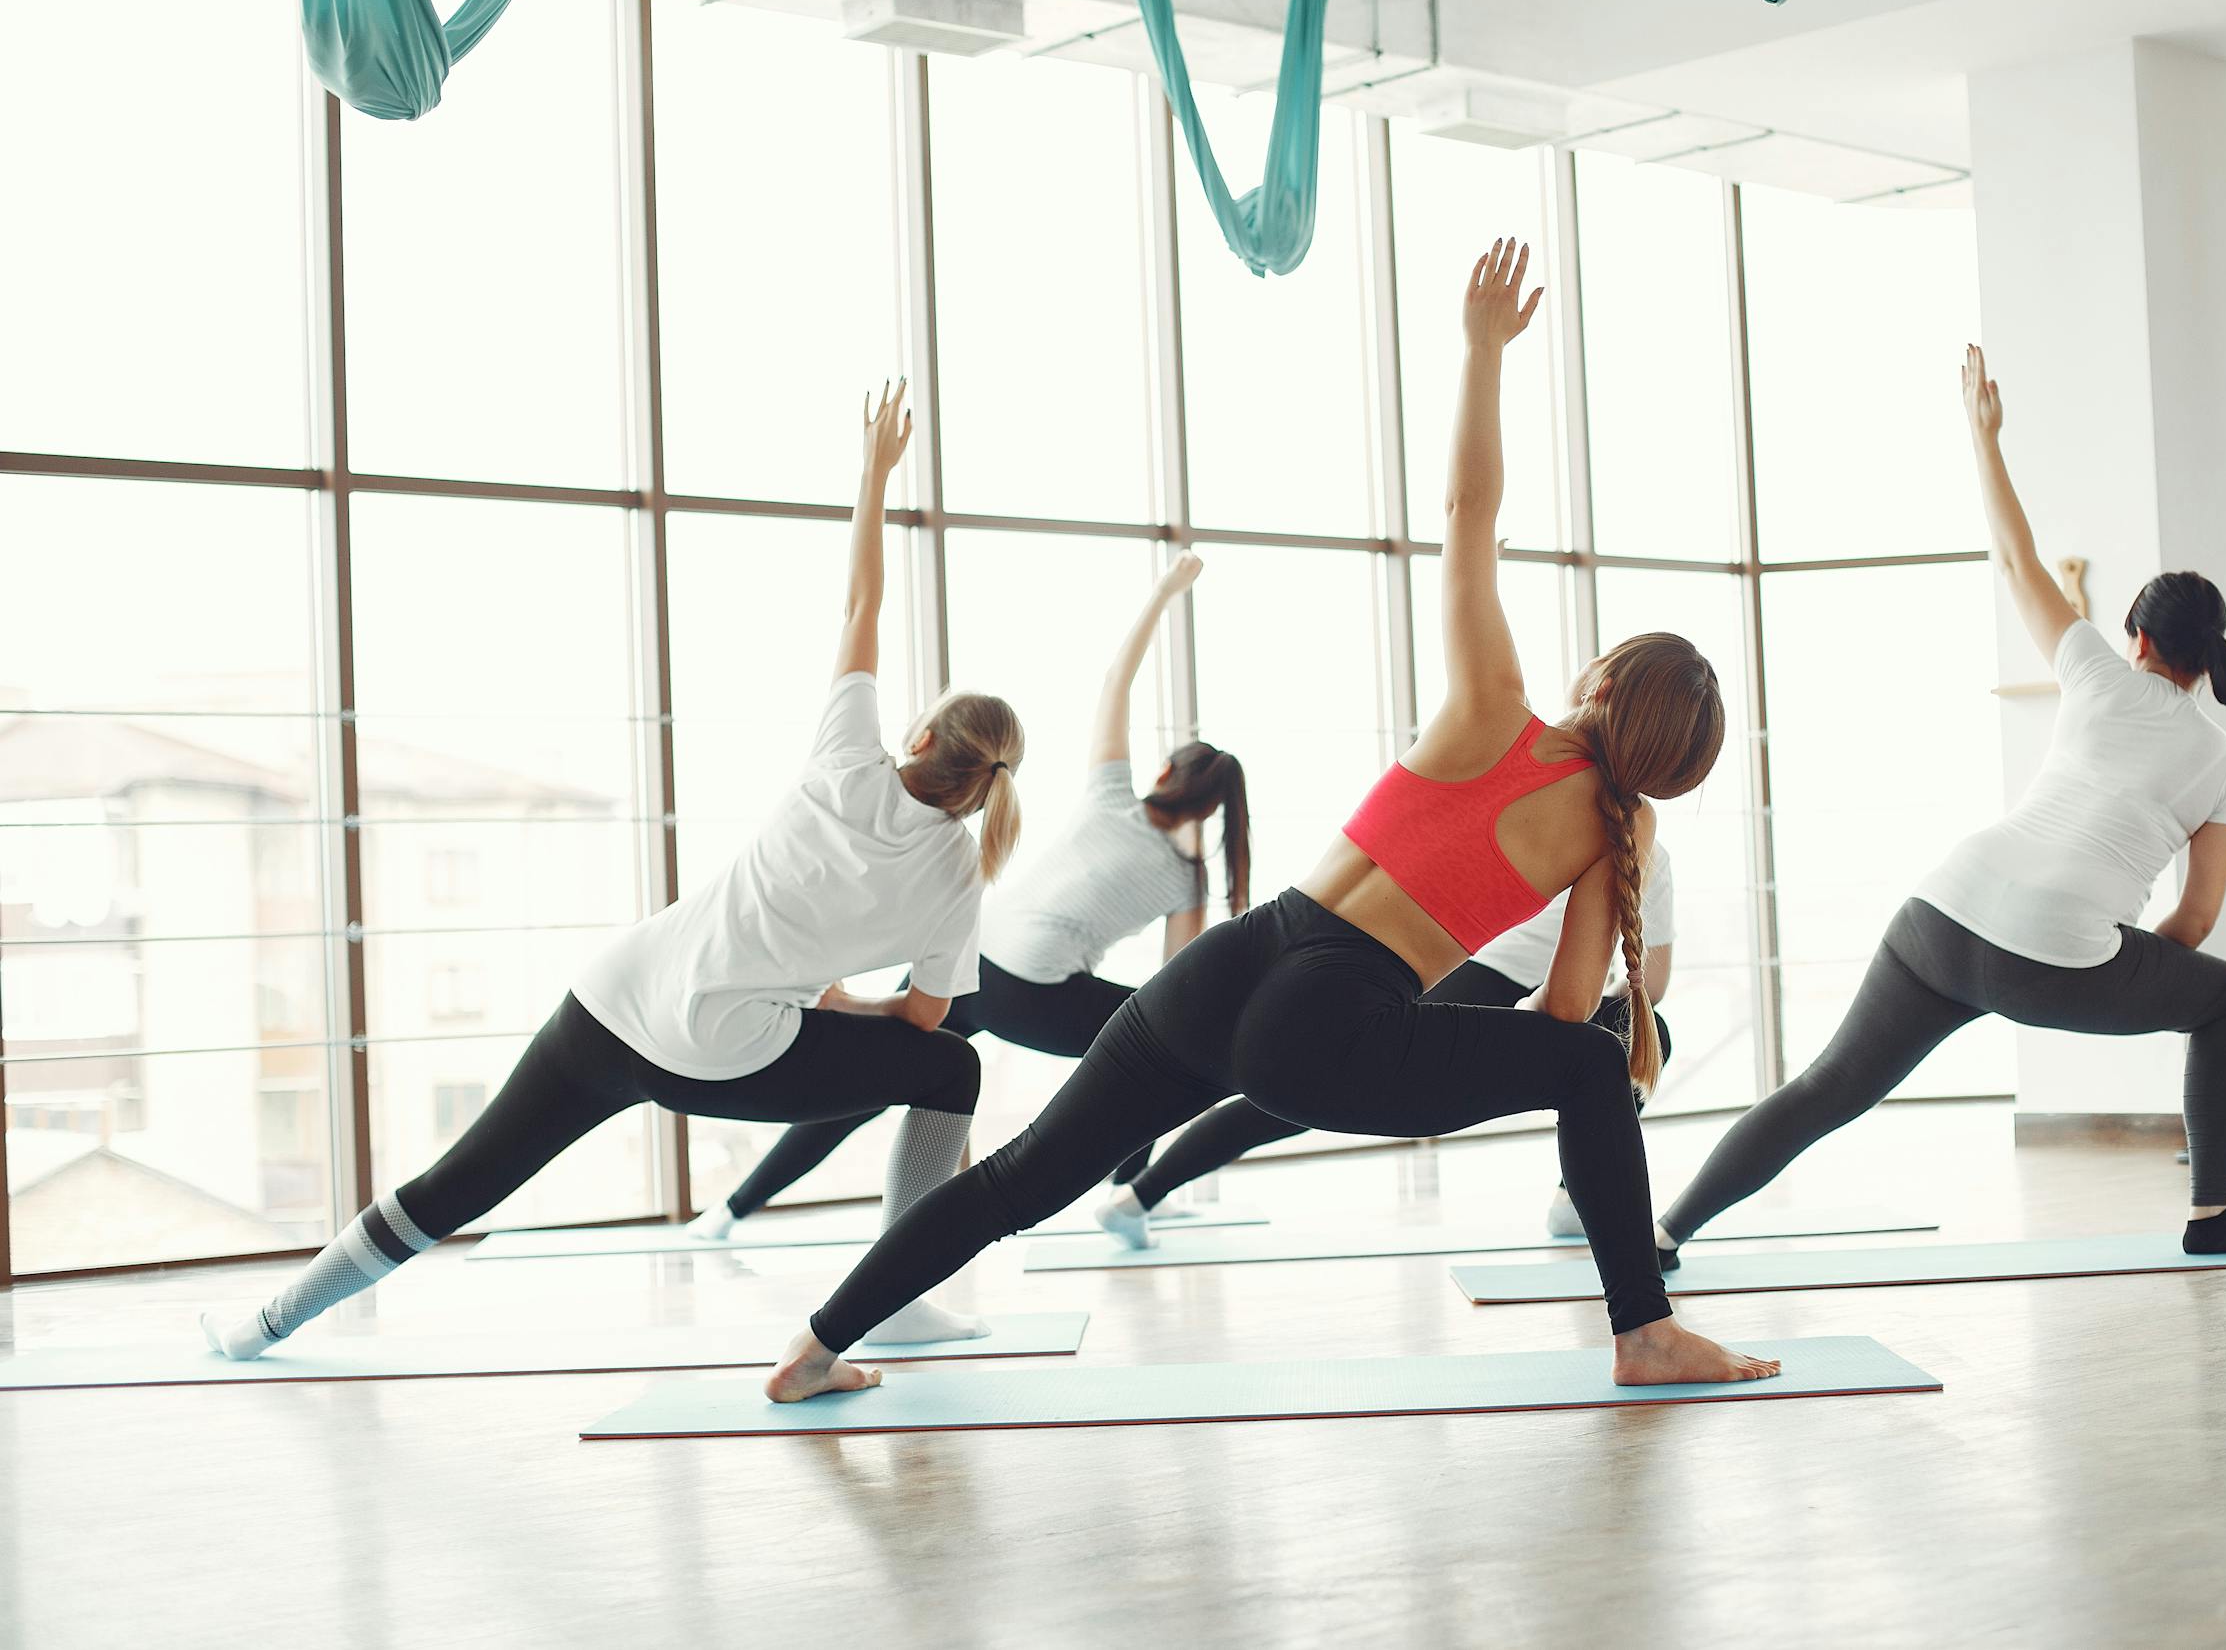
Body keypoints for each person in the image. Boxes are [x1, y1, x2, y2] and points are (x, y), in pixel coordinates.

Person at [766, 240, 1778, 1404]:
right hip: (1335, 1024)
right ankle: (1641, 1329)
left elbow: (1468, 512)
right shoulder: (1618, 834)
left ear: (1598, 678)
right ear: (1670, 765)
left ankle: (815, 1345)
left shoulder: (1492, 710)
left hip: (1228, 968)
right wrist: (1532, 1063)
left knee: (1021, 1175)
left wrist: (1484, 353)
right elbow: (1557, 1022)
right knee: (1592, 1066)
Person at [202, 381, 1029, 1358]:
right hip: (732, 1053)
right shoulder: (955, 876)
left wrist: (872, 475)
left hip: (613, 1000)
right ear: (987, 787)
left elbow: (861, 602)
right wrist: (837, 1007)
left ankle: (262, 1326)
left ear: (924, 734)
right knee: (950, 1068)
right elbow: (926, 1022)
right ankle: (895, 1304)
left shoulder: (846, 755)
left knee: (458, 1184)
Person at [1653, 345, 2226, 1263]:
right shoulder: (2223, 761)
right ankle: (2212, 1215)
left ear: (2138, 635)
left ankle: (1664, 1230)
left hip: (1942, 908)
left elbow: (2012, 557)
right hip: (2055, 952)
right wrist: (2115, 963)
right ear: (2205, 656)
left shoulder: (2092, 671)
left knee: (1830, 1084)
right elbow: (2193, 919)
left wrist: (1983, 435)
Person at [686, 556, 1248, 1239]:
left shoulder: (1110, 796)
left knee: (863, 1093)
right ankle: (1128, 1196)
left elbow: (1115, 680)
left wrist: (1162, 591)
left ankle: (727, 1212)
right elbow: (1172, 984)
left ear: (1164, 771)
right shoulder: (1185, 879)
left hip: (971, 961)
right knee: (1166, 1053)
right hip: (1036, 988)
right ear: (1216, 810)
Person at [1087, 841, 1677, 1249]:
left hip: (1478, 981)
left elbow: (1649, 985)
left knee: (1297, 1098)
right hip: (1480, 982)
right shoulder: (1622, 847)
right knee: (1303, 1095)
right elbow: (1650, 986)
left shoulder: (1600, 838)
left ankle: (1138, 1196)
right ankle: (1140, 1194)